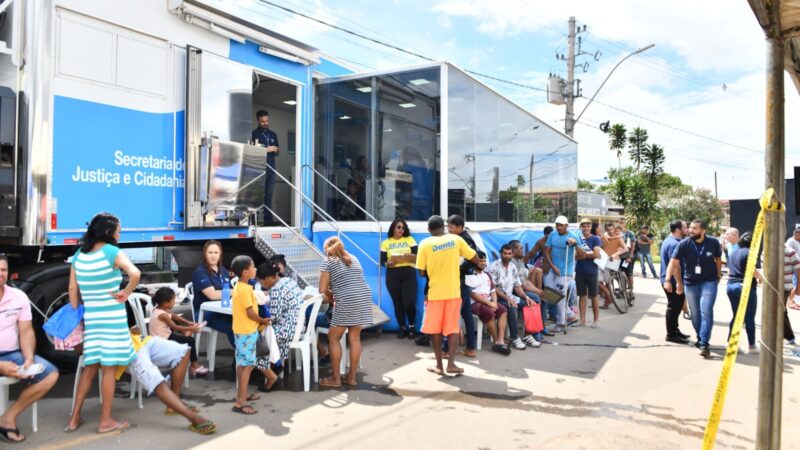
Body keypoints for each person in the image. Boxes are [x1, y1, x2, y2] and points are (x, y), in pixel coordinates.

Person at [67, 213, 139, 434]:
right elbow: (135, 273)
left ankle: (74, 419)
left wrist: (78, 311)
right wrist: (125, 293)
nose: (120, 232)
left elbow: (72, 290)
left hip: (93, 319)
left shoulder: (79, 255)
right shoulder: (112, 252)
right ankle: (105, 420)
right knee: (108, 370)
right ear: (109, 232)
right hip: (112, 319)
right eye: (118, 229)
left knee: (90, 369)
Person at [0, 255, 59, 443]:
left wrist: (28, 359)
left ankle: (7, 418)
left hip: (10, 353)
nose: (0, 274)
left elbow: (26, 332)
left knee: (50, 374)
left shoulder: (18, 297)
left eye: (2, 270)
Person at [417, 215, 480, 375]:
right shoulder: (455, 240)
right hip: (453, 292)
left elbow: (422, 273)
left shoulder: (424, 244)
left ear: (429, 230)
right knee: (452, 329)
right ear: (444, 227)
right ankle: (451, 364)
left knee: (435, 330)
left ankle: (439, 365)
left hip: (435, 294)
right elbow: (475, 258)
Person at [318, 237, 374, 388]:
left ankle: (335, 379)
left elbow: (322, 291)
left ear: (327, 250)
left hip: (347, 299)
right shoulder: (354, 258)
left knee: (333, 337)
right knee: (355, 337)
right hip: (364, 296)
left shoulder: (328, 261)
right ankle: (351, 378)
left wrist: (331, 296)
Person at [665, 219, 722, 358]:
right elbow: (673, 262)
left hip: (709, 281)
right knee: (695, 313)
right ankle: (701, 337)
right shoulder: (684, 243)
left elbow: (718, 259)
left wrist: (718, 275)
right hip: (690, 283)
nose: (690, 230)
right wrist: (668, 280)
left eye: (694, 228)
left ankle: (704, 343)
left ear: (703, 231)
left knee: (706, 310)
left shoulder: (713, 242)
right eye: (690, 228)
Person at [230, 255, 275, 415]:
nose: (256, 269)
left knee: (242, 365)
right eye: (253, 266)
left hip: (242, 331)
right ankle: (240, 402)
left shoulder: (240, 287)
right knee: (247, 366)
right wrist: (263, 319)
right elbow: (250, 312)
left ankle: (241, 395)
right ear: (245, 272)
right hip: (247, 332)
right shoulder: (245, 289)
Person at [255, 261, 309, 387]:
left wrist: (257, 317)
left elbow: (273, 318)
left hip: (287, 330)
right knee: (263, 334)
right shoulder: (288, 281)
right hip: (299, 328)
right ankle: (276, 365)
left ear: (267, 278)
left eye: (261, 282)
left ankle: (271, 376)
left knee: (255, 342)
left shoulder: (277, 289)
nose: (262, 286)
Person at [488, 244, 541, 350]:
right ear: (500, 253)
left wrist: (526, 297)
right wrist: (508, 298)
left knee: (530, 304)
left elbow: (517, 286)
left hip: (510, 296)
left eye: (509, 254)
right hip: (497, 298)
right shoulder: (494, 266)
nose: (507, 256)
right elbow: (494, 288)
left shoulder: (512, 267)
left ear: (512, 254)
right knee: (511, 306)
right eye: (505, 253)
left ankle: (527, 335)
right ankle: (514, 338)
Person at [150, 287, 208, 376]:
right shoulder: (163, 315)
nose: (175, 302)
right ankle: (194, 365)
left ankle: (185, 333)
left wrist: (190, 323)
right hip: (162, 341)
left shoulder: (160, 309)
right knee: (190, 341)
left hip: (162, 336)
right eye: (173, 300)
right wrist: (190, 329)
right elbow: (175, 327)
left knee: (172, 318)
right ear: (166, 303)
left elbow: (175, 317)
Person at [446, 215, 480, 357]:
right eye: (448, 226)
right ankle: (470, 347)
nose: (449, 229)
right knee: (466, 314)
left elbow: (474, 259)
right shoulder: (460, 238)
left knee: (453, 315)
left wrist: (457, 269)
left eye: (452, 226)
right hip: (463, 280)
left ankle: (446, 349)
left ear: (460, 227)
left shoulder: (463, 239)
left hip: (461, 281)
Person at [465, 252, 510, 355]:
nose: (483, 263)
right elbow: (472, 294)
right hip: (475, 303)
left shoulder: (487, 274)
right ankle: (495, 342)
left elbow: (493, 291)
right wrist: (489, 304)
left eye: (484, 261)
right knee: (488, 312)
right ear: (474, 261)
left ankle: (500, 339)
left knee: (503, 310)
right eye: (480, 261)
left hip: (489, 301)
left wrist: (494, 302)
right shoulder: (469, 274)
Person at [380, 218, 418, 339]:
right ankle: (402, 327)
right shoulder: (386, 242)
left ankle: (412, 327)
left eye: (403, 227)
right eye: (399, 227)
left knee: (409, 302)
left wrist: (411, 255)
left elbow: (418, 256)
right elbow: (382, 261)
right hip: (393, 274)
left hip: (409, 273)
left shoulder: (410, 240)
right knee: (398, 303)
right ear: (393, 228)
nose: (401, 230)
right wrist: (387, 263)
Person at [191, 241, 234, 347]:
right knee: (234, 326)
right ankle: (243, 357)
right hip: (204, 313)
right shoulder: (200, 272)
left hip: (222, 309)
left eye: (216, 252)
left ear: (220, 255)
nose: (213, 256)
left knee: (245, 320)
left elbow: (230, 290)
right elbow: (213, 295)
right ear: (205, 254)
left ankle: (241, 358)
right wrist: (236, 291)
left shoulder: (223, 270)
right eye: (210, 252)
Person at [543, 216, 580, 332]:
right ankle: (570, 315)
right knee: (548, 292)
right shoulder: (553, 235)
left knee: (559, 295)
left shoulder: (573, 236)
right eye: (557, 225)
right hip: (553, 269)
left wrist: (575, 244)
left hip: (565, 271)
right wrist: (552, 266)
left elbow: (582, 254)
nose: (558, 227)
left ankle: (560, 323)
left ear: (566, 226)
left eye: (561, 225)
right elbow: (547, 251)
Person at [725, 232, 761, 354]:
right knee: (749, 317)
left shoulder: (733, 253)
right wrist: (761, 278)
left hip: (731, 286)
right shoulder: (750, 253)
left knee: (736, 316)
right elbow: (752, 271)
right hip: (744, 287)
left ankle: (731, 344)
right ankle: (752, 346)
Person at [660, 220, 691, 344]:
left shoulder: (672, 241)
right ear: (678, 229)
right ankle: (671, 334)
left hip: (673, 281)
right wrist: (679, 283)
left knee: (677, 307)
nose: (687, 229)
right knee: (673, 307)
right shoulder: (673, 244)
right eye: (685, 227)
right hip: (673, 282)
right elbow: (675, 266)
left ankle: (675, 330)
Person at [509, 239, 547, 339]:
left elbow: (526, 281)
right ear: (513, 250)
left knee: (543, 297)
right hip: (516, 291)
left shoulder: (520, 261)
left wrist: (538, 290)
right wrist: (537, 291)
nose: (522, 250)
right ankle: (534, 331)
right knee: (536, 298)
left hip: (523, 288)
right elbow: (520, 284)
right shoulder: (511, 263)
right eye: (520, 248)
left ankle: (541, 327)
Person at [251, 110, 280, 225]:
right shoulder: (253, 134)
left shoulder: (273, 134)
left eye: (267, 121)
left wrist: (276, 149)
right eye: (263, 121)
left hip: (271, 169)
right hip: (258, 170)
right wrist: (265, 150)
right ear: (258, 120)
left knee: (268, 197)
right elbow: (251, 151)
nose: (265, 123)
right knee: (256, 197)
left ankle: (268, 221)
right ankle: (254, 221)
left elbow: (277, 152)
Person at [574, 218, 602, 328]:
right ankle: (582, 320)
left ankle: (596, 320)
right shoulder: (577, 239)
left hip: (592, 271)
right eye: (584, 226)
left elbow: (596, 254)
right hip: (580, 270)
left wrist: (583, 255)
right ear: (581, 227)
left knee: (594, 296)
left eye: (588, 226)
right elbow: (575, 255)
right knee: (582, 295)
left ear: (591, 227)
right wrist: (588, 254)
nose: (586, 228)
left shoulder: (596, 239)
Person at [599, 223, 628, 309]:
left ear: (614, 229)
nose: (610, 231)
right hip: (603, 261)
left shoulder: (618, 238)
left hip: (614, 261)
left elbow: (625, 248)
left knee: (607, 279)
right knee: (598, 280)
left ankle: (608, 298)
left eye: (612, 229)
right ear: (605, 230)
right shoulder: (602, 238)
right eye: (608, 230)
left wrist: (615, 254)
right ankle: (608, 296)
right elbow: (599, 247)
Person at [781, 243, 799, 345]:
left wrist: (798, 288)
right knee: (781, 311)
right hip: (770, 288)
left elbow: (798, 269)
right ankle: (788, 336)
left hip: (785, 287)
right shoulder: (766, 251)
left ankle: (789, 337)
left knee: (779, 311)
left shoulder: (790, 252)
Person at [525, 226, 553, 290]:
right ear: (544, 234)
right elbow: (532, 252)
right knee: (548, 286)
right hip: (547, 268)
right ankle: (543, 298)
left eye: (550, 236)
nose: (549, 238)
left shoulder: (558, 240)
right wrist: (524, 259)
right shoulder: (541, 241)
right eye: (547, 236)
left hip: (557, 267)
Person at [618, 218, 637, 297]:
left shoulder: (630, 233)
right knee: (621, 275)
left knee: (629, 274)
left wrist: (630, 256)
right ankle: (623, 290)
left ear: (625, 224)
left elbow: (633, 246)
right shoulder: (617, 233)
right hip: (619, 258)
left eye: (622, 222)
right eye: (619, 222)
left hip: (627, 257)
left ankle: (631, 291)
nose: (621, 224)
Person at [785, 227, 800, 307]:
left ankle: (793, 300)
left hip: (797, 265)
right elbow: (786, 252)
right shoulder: (791, 241)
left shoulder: (797, 242)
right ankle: (791, 301)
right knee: (795, 283)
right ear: (797, 234)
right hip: (793, 267)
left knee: (796, 283)